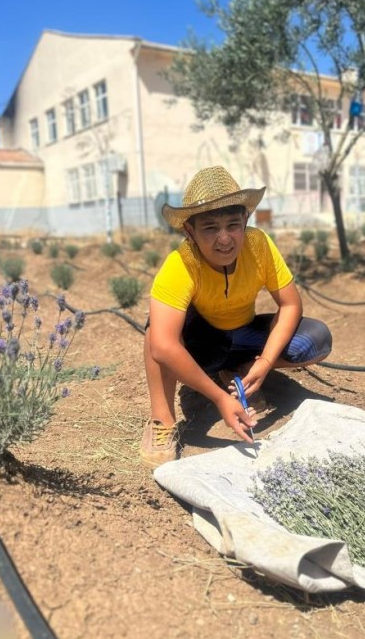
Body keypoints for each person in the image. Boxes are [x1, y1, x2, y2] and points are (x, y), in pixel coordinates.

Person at [141, 165, 332, 467]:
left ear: (246, 219)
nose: (225, 238)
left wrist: (266, 361)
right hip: (203, 345)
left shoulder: (259, 246)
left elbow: (291, 305)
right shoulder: (180, 263)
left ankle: (241, 371)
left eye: (233, 224)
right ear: (189, 231)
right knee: (156, 334)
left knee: (314, 340)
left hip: (244, 335)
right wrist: (219, 399)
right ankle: (162, 420)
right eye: (210, 228)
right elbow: (165, 345)